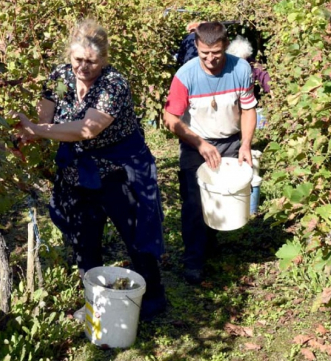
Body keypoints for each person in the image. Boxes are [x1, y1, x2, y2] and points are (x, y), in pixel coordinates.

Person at [14, 19, 166, 320]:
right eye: (77, 60)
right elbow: (45, 118)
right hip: (78, 171)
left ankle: (152, 300)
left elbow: (87, 129)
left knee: (136, 235)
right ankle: (94, 302)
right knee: (84, 239)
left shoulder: (114, 84)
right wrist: (26, 134)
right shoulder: (59, 76)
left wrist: (39, 129)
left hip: (119, 172)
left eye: (91, 62)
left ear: (104, 59)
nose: (83, 67)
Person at [163, 22, 257, 284]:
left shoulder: (241, 69)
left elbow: (248, 109)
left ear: (225, 45)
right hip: (196, 143)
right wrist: (200, 143)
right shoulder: (185, 75)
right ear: (196, 47)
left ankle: (211, 244)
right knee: (194, 203)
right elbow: (170, 118)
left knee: (223, 194)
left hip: (230, 141)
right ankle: (193, 261)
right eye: (204, 53)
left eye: (215, 53)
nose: (210, 59)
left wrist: (246, 144)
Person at [226, 35, 271, 100]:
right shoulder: (227, 64)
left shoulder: (251, 62)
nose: (243, 63)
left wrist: (270, 89)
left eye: (245, 59)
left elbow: (263, 74)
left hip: (249, 97)